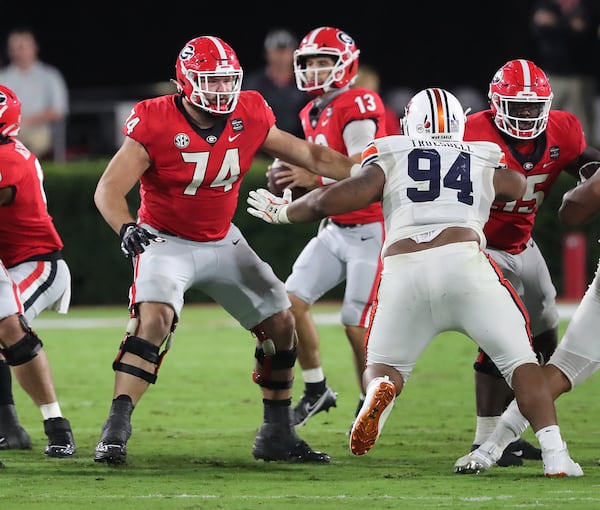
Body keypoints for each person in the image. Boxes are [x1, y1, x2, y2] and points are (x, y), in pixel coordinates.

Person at [247, 87, 583, 477]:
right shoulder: (481, 155)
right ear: (459, 125)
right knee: (521, 363)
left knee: (383, 366)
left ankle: (378, 393)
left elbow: (333, 198)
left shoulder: (390, 153)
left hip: (403, 272)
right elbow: (516, 186)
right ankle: (556, 454)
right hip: (466, 267)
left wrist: (286, 212)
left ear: (409, 124)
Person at [92, 35, 356, 465]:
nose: (221, 90)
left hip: (223, 239)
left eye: (226, 80)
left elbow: (310, 153)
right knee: (153, 321)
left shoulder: (249, 111)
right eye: (211, 82)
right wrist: (125, 227)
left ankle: (277, 433)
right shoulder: (155, 119)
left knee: (281, 323)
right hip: (166, 240)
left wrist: (365, 169)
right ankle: (116, 427)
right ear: (186, 82)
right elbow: (108, 189)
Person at [460, 58, 600, 467]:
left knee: (544, 335)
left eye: (533, 106)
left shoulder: (562, 127)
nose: (525, 114)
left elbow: (582, 157)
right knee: (499, 333)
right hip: (477, 243)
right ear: (494, 103)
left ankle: (512, 430)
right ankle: (486, 438)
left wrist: (591, 173)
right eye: (516, 106)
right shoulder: (471, 133)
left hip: (523, 244)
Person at [268, 26, 387, 428]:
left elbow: (363, 167)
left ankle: (369, 403)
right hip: (336, 229)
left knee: (355, 320)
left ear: (346, 65)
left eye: (324, 62)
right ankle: (317, 389)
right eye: (309, 62)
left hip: (373, 229)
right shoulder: (313, 109)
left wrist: (310, 178)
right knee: (289, 304)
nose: (315, 70)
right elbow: (319, 164)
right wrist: (289, 173)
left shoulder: (359, 100)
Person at [0, 84, 75, 457]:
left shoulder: (9, 158)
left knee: (8, 326)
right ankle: (8, 426)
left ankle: (56, 426)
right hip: (7, 265)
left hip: (38, 263)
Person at [530, 0, 600, 145]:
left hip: (580, 75)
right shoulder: (546, 5)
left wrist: (556, 24)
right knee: (544, 118)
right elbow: (538, 31)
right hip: (553, 74)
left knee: (584, 122)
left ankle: (588, 161)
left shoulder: (588, 6)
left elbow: (583, 34)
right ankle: (540, 153)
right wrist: (568, 26)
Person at [0, 27, 69, 160]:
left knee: (35, 139)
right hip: (7, 130)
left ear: (33, 47)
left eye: (21, 47)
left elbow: (58, 111)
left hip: (38, 128)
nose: (16, 52)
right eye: (12, 48)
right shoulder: (3, 77)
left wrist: (25, 121)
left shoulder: (50, 76)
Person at [243, 28, 305, 140]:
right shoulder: (253, 82)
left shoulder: (305, 82)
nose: (281, 56)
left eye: (285, 51)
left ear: (294, 54)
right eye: (277, 51)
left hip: (298, 144)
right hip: (262, 146)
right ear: (267, 54)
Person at [353, 63, 401, 136]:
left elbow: (396, 141)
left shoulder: (386, 114)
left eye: (368, 85)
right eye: (361, 84)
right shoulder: (342, 111)